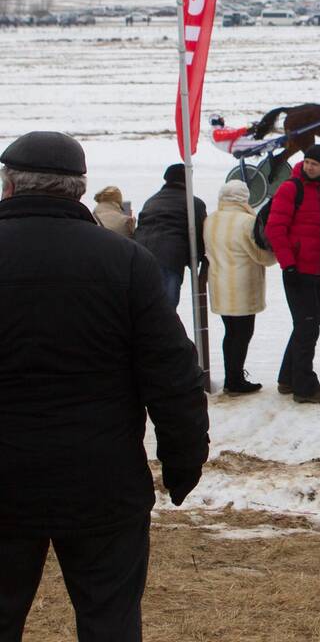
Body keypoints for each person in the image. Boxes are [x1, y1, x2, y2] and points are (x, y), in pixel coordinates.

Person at [0, 131, 209, 641]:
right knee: (109, 620)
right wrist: (183, 462)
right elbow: (173, 372)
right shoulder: (125, 260)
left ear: (8, 185)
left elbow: (169, 369)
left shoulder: (126, 260)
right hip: (101, 478)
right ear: (78, 190)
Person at [264, 144, 320, 404]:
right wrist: (288, 264)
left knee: (309, 324)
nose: (309, 167)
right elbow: (275, 228)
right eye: (307, 161)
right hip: (297, 270)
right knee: (307, 327)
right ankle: (305, 387)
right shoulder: (291, 188)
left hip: (317, 269)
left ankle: (288, 378)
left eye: (315, 164)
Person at [203, 180, 278, 396]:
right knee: (243, 333)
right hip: (243, 287)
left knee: (231, 333)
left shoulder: (211, 219)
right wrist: (275, 255)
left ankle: (232, 376)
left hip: (219, 284)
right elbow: (260, 255)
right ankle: (234, 380)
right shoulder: (247, 222)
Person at [134, 163, 207, 309]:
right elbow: (200, 235)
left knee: (141, 309)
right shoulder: (194, 203)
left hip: (139, 256)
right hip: (169, 258)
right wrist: (198, 261)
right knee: (165, 311)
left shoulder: (152, 200)